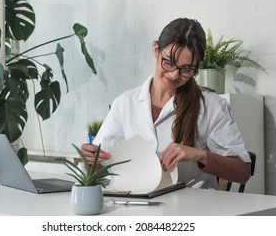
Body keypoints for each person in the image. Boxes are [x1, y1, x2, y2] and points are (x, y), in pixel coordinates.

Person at [81, 17, 251, 189]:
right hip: (135, 205)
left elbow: (242, 172)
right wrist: (90, 160)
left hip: (190, 210)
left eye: (186, 69)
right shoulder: (125, 103)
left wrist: (200, 155)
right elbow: (100, 168)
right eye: (169, 62)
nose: (174, 75)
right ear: (156, 50)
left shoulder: (212, 106)